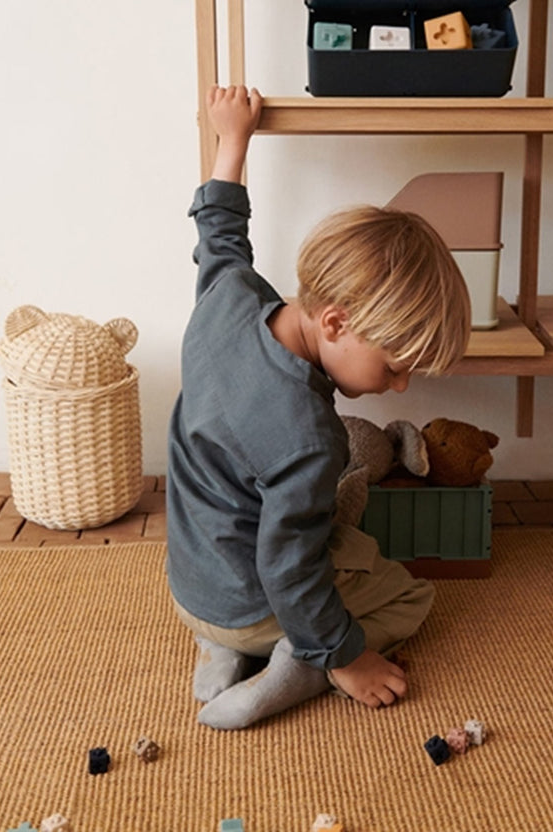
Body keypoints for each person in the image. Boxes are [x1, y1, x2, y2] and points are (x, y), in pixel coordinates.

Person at [166, 84, 472, 729]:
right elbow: (288, 567)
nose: (400, 387)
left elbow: (219, 233)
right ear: (335, 323)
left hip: (188, 585)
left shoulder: (228, 296)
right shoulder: (310, 436)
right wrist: (346, 655)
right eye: (394, 367)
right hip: (252, 604)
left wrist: (233, 140)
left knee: (320, 533)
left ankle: (220, 649)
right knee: (409, 595)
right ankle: (301, 665)